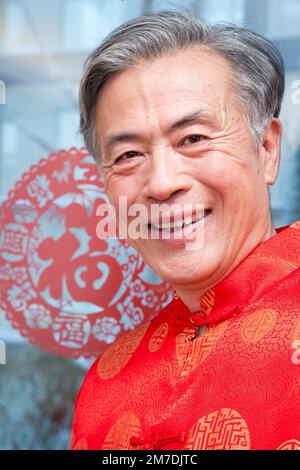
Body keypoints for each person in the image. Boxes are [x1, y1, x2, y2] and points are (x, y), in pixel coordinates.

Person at [70, 10, 300, 450]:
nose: (161, 183)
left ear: (267, 150)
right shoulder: (107, 381)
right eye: (129, 155)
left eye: (193, 139)